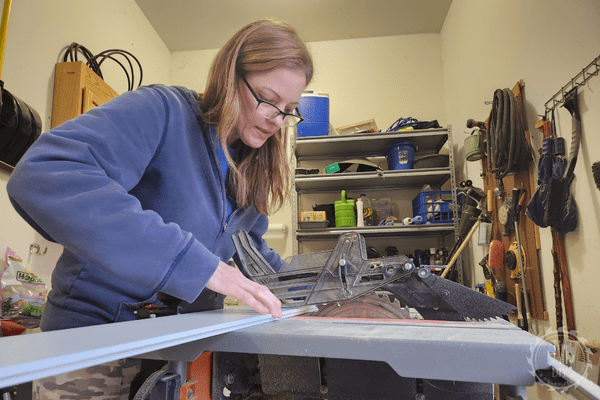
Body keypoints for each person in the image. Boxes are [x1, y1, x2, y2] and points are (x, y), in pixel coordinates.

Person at [7, 19, 313, 398]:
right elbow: (45, 172)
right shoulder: (163, 111)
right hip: (94, 340)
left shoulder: (251, 164)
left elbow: (253, 253)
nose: (277, 120)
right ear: (231, 77)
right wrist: (194, 264)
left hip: (178, 348)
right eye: (268, 99)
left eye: (290, 109)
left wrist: (323, 292)